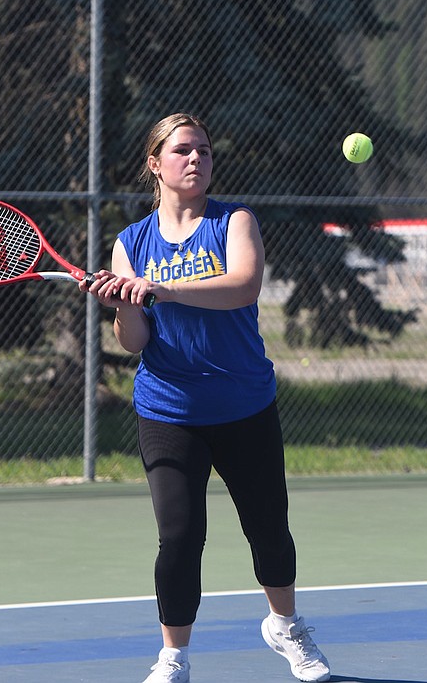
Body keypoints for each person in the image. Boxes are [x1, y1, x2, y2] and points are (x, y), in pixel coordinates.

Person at [81, 113, 331, 683]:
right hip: (169, 410)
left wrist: (161, 287)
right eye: (183, 151)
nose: (197, 160)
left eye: (205, 151)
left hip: (243, 403)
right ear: (155, 164)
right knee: (179, 537)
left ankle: (285, 625)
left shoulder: (234, 221)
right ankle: (174, 656)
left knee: (268, 527)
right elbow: (135, 341)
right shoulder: (131, 243)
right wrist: (123, 303)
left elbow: (243, 284)